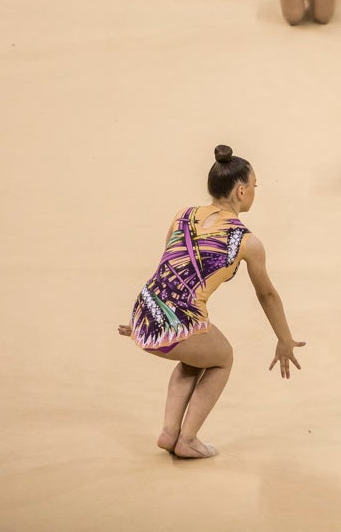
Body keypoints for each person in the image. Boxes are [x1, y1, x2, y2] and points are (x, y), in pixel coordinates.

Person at [118, 146, 304, 459]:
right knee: (223, 357)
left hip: (145, 308)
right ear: (241, 191)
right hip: (176, 320)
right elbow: (267, 294)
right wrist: (284, 339)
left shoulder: (183, 214)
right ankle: (188, 439)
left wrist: (143, 319)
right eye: (254, 186)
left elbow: (168, 269)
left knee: (197, 356)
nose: (254, 192)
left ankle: (169, 432)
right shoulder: (246, 242)